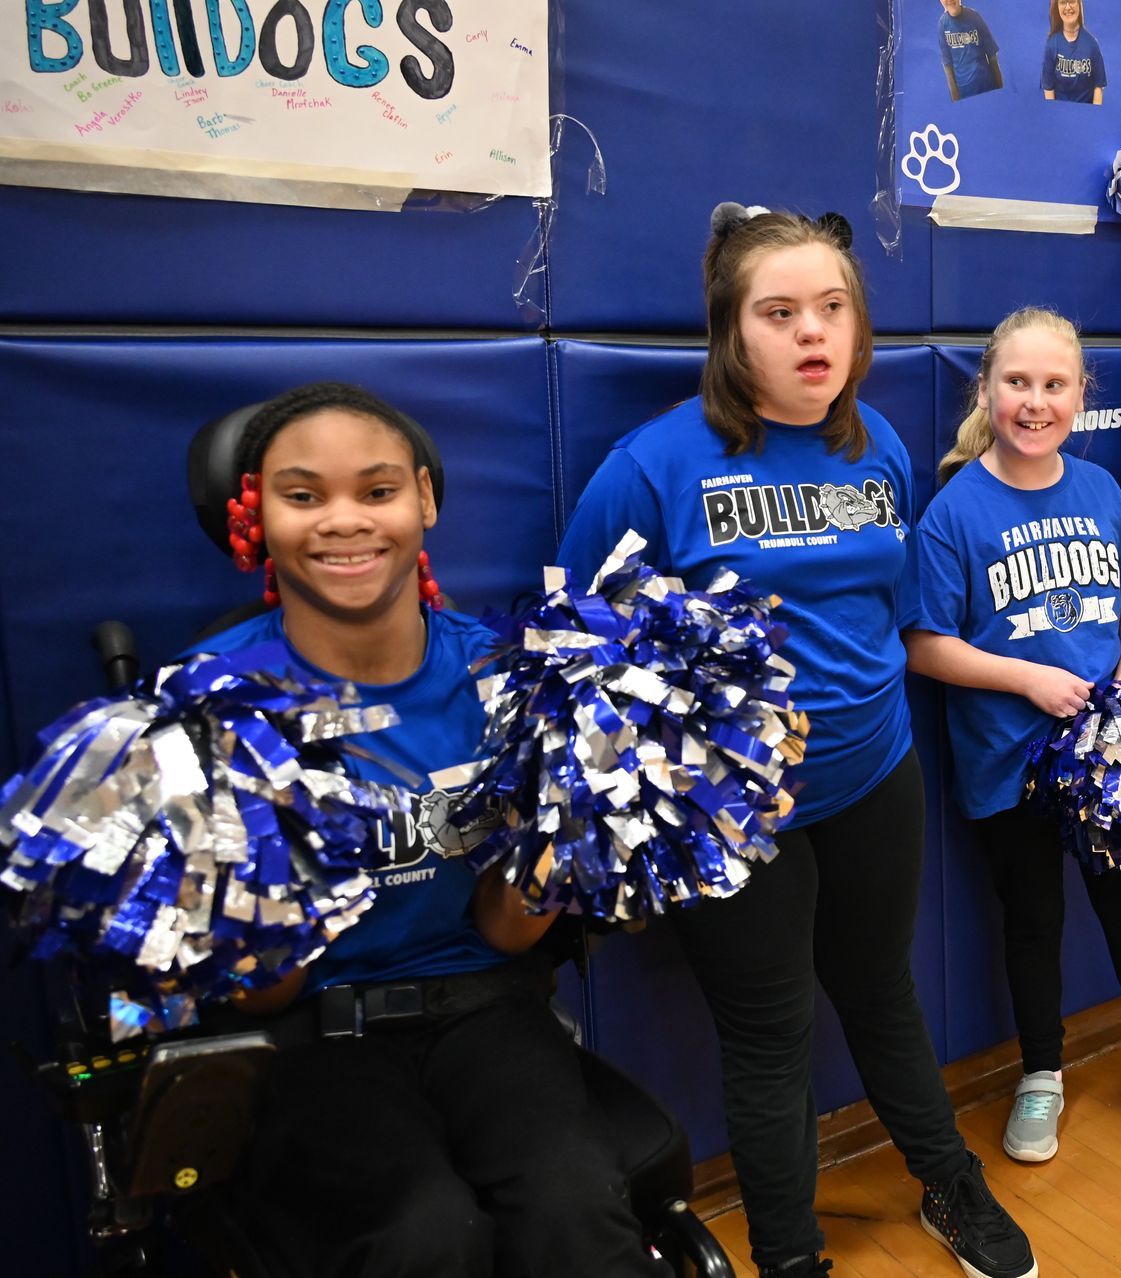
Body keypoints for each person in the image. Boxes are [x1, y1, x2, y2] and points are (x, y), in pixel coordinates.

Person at [557, 206, 1036, 1278]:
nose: (812, 334)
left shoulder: (882, 447)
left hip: (875, 771)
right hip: (733, 813)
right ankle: (790, 1258)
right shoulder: (649, 468)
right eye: (779, 313)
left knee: (880, 991)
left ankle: (950, 1186)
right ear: (732, 333)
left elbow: (893, 617)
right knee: (771, 1036)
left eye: (833, 309)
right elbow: (579, 653)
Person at [197, 382, 660, 1278]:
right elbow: (260, 997)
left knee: (573, 1207)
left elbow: (504, 929)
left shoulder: (505, 675)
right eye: (303, 495)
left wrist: (569, 823)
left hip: (487, 1007)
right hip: (315, 1037)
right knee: (424, 1233)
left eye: (376, 492)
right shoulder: (213, 702)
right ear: (258, 513)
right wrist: (283, 865)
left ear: (425, 500)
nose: (344, 522)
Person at [906, 306, 1121, 1161]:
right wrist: (1028, 679)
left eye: (1055, 385)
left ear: (1082, 396)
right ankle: (1041, 1075)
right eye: (1018, 383)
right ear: (986, 389)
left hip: (1102, 758)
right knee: (1031, 920)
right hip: (1007, 762)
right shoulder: (955, 510)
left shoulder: (1095, 489)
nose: (1036, 402)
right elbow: (926, 646)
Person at [1039, 0, 1105, 105]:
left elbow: (1099, 86)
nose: (1068, 7)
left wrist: (1093, 115)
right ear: (1057, 7)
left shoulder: (1092, 44)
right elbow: (1048, 88)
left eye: (1072, 1)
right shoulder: (1052, 45)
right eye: (1063, 2)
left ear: (1079, 4)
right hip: (1060, 113)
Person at [939, 0, 1004, 101]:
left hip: (986, 85)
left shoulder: (974, 17)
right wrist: (955, 97)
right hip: (964, 91)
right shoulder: (942, 24)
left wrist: (1000, 89)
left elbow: (992, 56)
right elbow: (947, 64)